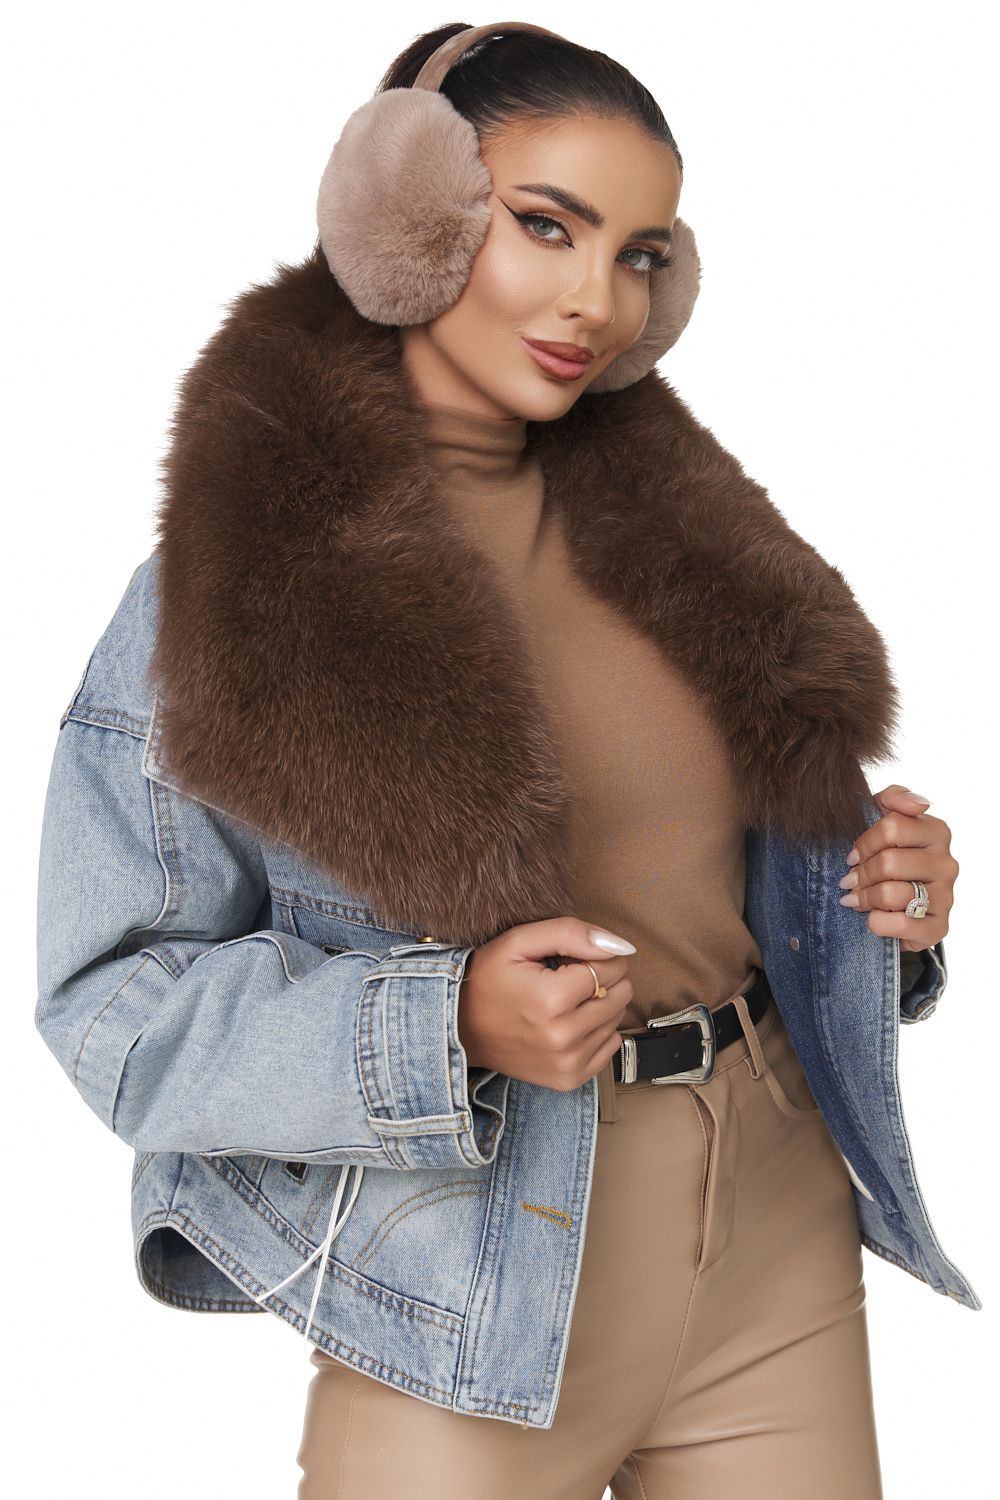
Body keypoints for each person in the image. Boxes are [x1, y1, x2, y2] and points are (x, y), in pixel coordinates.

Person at [34, 19, 975, 1500]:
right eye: (548, 225)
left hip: (776, 1233)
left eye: (640, 253)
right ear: (403, 213)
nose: (599, 300)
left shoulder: (694, 551)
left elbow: (714, 879)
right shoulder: (236, 596)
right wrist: (443, 1023)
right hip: (476, 1277)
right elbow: (111, 1008)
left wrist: (881, 903)